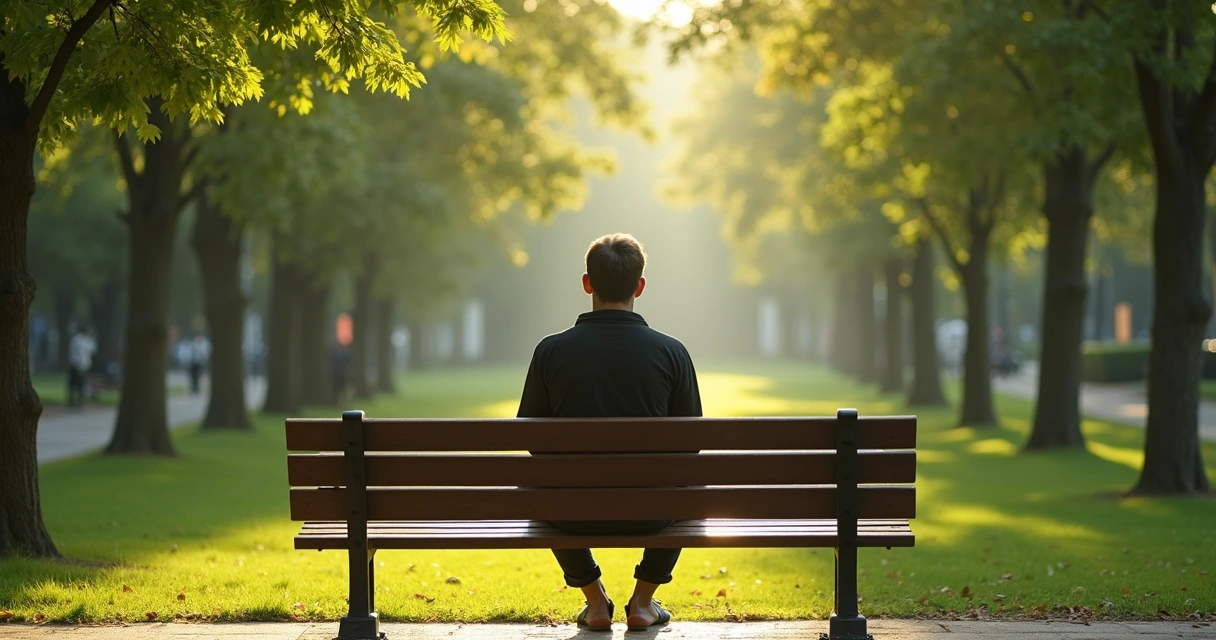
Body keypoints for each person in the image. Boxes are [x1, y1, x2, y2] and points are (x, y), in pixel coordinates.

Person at [516, 233, 702, 631]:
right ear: (639, 287)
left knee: (541, 487)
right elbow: (692, 445)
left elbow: (529, 439)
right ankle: (644, 602)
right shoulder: (672, 353)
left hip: (571, 513)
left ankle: (596, 601)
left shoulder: (550, 351)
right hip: (653, 513)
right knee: (691, 491)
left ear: (588, 283)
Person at [66, 326, 96, 408]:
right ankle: (79, 403)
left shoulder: (74, 340)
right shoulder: (86, 341)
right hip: (83, 366)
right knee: (81, 385)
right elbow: (93, 349)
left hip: (74, 364)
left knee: (72, 385)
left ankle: (71, 402)